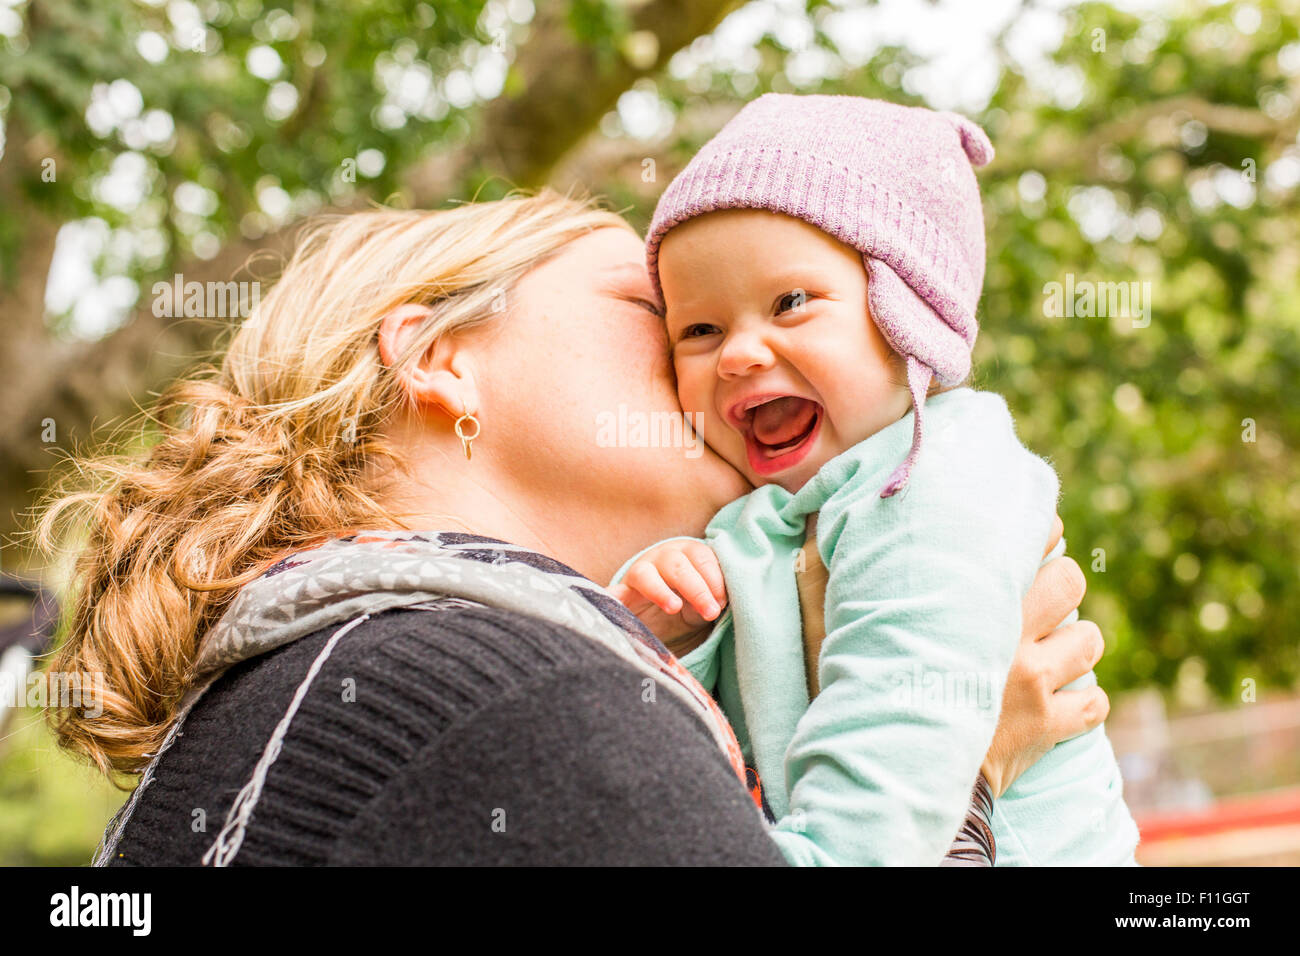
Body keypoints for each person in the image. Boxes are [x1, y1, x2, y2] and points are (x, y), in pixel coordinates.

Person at [33, 191, 1107, 866]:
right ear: (442, 358)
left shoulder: (316, 679)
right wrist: (967, 777)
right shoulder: (520, 696)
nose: (716, 363)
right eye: (666, 315)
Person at [610, 95, 1139, 865]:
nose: (739, 354)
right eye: (699, 329)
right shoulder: (770, 518)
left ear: (908, 312)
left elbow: (905, 729)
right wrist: (681, 626)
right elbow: (723, 730)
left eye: (790, 303)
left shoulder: (941, 482)